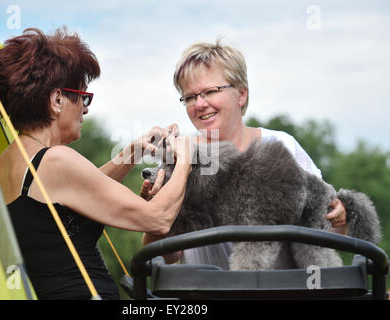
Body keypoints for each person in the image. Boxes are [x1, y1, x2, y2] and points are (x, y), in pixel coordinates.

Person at [0, 27, 193, 299]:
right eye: (83, 96)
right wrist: (185, 160)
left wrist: (130, 154)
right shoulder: (56, 160)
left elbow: (72, 193)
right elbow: (158, 219)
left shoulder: (3, 163)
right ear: (57, 99)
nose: (86, 109)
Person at [141, 41, 347, 270]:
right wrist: (155, 213)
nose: (200, 104)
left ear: (241, 94)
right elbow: (164, 256)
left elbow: (330, 228)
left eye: (210, 91)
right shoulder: (178, 158)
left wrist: (340, 214)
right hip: (206, 296)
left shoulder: (281, 145)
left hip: (285, 292)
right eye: (189, 97)